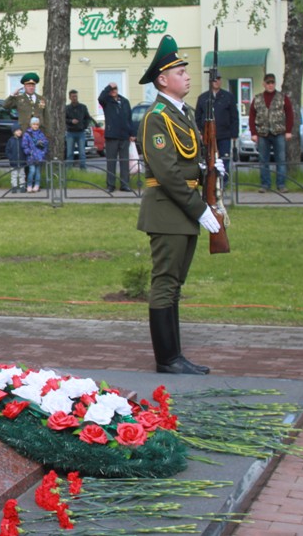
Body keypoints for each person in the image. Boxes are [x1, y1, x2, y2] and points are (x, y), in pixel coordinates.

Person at [136, 35, 221, 376]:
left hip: (181, 211)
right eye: (180, 71)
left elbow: (187, 161)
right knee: (165, 284)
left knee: (175, 285)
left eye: (185, 70)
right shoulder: (156, 117)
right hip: (168, 211)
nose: (187, 76)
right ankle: (167, 359)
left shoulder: (183, 113)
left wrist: (208, 169)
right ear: (162, 79)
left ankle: (176, 357)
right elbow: (167, 172)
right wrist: (200, 208)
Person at [248, 73, 293, 193]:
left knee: (281, 160)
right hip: (262, 134)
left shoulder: (283, 97)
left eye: (272, 82)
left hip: (279, 132)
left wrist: (288, 131)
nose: (270, 85)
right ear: (264, 84)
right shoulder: (257, 99)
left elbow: (289, 114)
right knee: (263, 160)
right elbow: (252, 116)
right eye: (268, 83)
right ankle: (265, 185)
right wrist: (253, 133)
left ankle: (281, 185)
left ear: (275, 84)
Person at [194, 74, 239, 185]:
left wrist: (234, 133)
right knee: (209, 159)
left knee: (224, 159)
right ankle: (210, 181)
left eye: (218, 79)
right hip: (208, 135)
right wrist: (199, 132)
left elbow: (234, 116)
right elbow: (198, 117)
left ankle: (224, 182)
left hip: (224, 134)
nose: (216, 82)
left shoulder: (228, 97)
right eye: (214, 79)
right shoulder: (203, 97)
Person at [97, 82, 135, 192]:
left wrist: (132, 133)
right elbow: (100, 97)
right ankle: (110, 185)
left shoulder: (125, 101)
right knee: (111, 161)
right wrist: (108, 86)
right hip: (111, 135)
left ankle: (124, 184)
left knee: (124, 161)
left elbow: (129, 118)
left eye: (115, 88)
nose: (113, 90)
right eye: (111, 89)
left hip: (124, 136)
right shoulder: (106, 101)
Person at [64, 89, 93, 170]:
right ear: (70, 97)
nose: (75, 98)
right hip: (70, 132)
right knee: (69, 153)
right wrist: (71, 121)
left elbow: (88, 118)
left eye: (76, 96)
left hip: (81, 132)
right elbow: (64, 119)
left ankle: (83, 169)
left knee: (82, 153)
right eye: (73, 96)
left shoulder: (83, 107)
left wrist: (83, 126)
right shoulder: (67, 108)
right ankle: (69, 170)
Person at [21, 116, 49, 192]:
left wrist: (43, 151)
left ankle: (37, 185)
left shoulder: (41, 133)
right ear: (31, 125)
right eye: (34, 124)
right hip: (31, 156)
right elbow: (24, 145)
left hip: (40, 156)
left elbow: (46, 144)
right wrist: (30, 152)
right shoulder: (27, 134)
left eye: (37, 124)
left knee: (38, 172)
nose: (35, 126)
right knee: (32, 171)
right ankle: (29, 185)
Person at [6, 126, 26, 193]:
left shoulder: (23, 140)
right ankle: (14, 186)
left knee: (22, 174)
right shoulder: (10, 140)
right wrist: (10, 158)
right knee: (14, 175)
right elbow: (7, 150)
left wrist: (25, 157)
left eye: (20, 130)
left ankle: (22, 186)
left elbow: (25, 149)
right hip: (13, 161)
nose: (19, 132)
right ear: (14, 132)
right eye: (17, 130)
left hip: (22, 160)